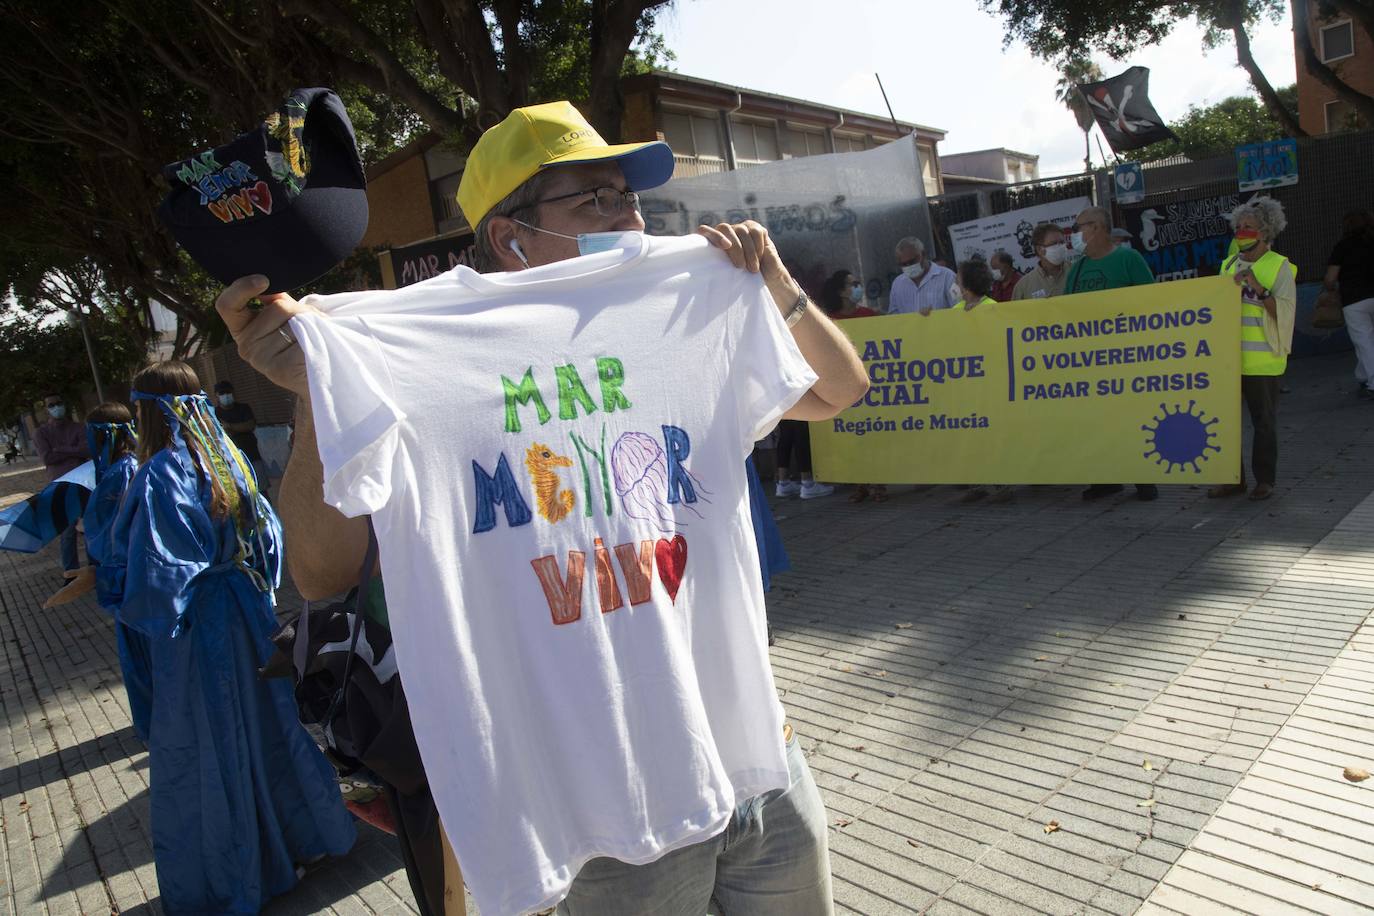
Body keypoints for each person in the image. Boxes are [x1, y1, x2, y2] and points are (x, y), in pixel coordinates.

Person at [215, 100, 867, 916]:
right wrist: (318, 389)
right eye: (595, 199)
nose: (628, 216)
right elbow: (318, 572)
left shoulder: (678, 310)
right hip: (604, 804)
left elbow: (841, 391)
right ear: (510, 235)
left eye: (629, 196)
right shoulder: (406, 349)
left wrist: (775, 283)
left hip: (755, 752)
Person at [106, 361, 356, 913]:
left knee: (205, 744)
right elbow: (269, 537)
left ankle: (239, 871)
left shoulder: (159, 474)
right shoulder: (231, 462)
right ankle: (303, 839)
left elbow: (158, 570)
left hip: (196, 628)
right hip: (248, 611)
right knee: (271, 726)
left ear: (144, 411)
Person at [43, 403, 155, 742]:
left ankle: (161, 727)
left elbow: (126, 533)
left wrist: (102, 571)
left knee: (146, 662)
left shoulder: (125, 472)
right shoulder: (107, 472)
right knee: (137, 662)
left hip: (131, 581)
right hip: (118, 579)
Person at [1065, 206, 1159, 502]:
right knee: (1096, 423)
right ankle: (1105, 478)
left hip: (1126, 357)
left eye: (1080, 227)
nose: (1075, 234)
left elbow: (1151, 302)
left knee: (1132, 419)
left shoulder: (1128, 258)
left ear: (1098, 228)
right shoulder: (1077, 268)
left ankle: (1144, 479)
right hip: (1089, 362)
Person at [1209, 198, 1296, 501]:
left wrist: (1258, 287)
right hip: (1230, 360)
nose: (1242, 232)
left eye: (1249, 227)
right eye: (1239, 227)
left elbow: (1284, 312)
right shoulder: (1229, 265)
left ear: (1266, 232)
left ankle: (1265, 481)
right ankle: (1233, 479)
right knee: (1226, 422)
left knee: (1263, 423)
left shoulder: (1278, 266)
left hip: (1263, 362)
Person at [820, 270, 885, 502]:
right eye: (852, 284)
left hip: (872, 385)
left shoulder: (869, 315)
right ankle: (861, 484)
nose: (858, 287)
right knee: (854, 439)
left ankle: (879, 484)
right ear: (841, 291)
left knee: (874, 439)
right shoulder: (831, 321)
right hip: (845, 387)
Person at [32, 393, 90, 578]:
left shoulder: (79, 427)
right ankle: (71, 572)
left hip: (83, 483)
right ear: (47, 409)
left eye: (59, 403)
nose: (57, 407)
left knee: (89, 526)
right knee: (67, 531)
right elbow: (47, 457)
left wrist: (60, 449)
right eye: (52, 405)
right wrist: (73, 452)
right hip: (60, 485)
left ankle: (94, 568)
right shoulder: (41, 433)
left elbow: (87, 449)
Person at [1324, 209, 1374, 400]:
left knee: (1364, 341)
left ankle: (1371, 381)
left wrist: (1330, 289)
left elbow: (1330, 278)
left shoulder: (1343, 247)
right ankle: (1362, 376)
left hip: (1355, 300)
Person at [212, 379, 274, 498]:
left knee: (261, 490)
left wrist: (229, 426)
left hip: (252, 455)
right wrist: (236, 428)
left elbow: (249, 425)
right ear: (217, 396)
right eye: (222, 393)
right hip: (231, 460)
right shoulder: (215, 413)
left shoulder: (243, 408)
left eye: (228, 392)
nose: (226, 395)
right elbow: (217, 432)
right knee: (242, 493)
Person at [888, 236, 957, 315]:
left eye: (912, 261)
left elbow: (960, 306)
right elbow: (894, 316)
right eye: (904, 264)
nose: (909, 266)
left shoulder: (948, 277)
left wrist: (937, 316)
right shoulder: (897, 284)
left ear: (923, 254)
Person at [1012, 223, 1070, 301]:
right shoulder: (1024, 286)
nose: (1060, 247)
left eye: (1062, 242)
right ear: (1039, 249)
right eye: (1054, 243)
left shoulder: (1077, 271)